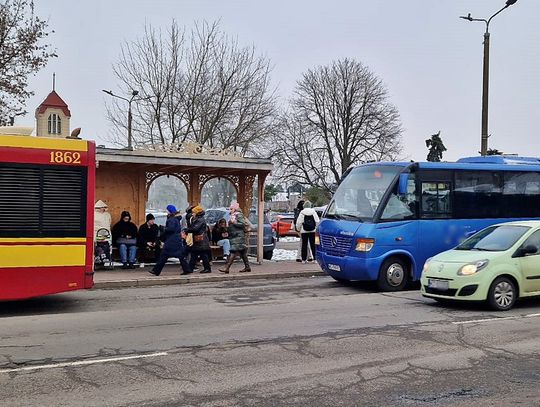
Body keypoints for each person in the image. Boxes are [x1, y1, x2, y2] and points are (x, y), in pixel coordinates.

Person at [149, 205, 191, 276]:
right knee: (180, 255)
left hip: (171, 240)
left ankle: (156, 270)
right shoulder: (176, 219)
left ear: (170, 211)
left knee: (164, 255)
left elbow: (171, 229)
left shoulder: (171, 219)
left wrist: (163, 228)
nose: (166, 211)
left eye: (167, 210)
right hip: (176, 240)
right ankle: (187, 269)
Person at [219, 202, 251, 274]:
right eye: (230, 208)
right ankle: (247, 267)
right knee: (242, 253)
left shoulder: (238, 215)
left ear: (235, 209)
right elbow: (232, 227)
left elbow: (242, 224)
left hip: (238, 236)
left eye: (231, 208)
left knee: (233, 251)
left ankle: (226, 268)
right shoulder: (232, 215)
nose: (230, 210)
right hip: (234, 236)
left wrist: (234, 222)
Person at [184, 205, 212, 274]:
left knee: (201, 254)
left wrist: (187, 230)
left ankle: (206, 269)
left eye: (193, 212)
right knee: (195, 254)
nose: (192, 214)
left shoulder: (200, 220)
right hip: (199, 241)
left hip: (200, 240)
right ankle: (190, 269)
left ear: (197, 213)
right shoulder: (198, 219)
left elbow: (195, 229)